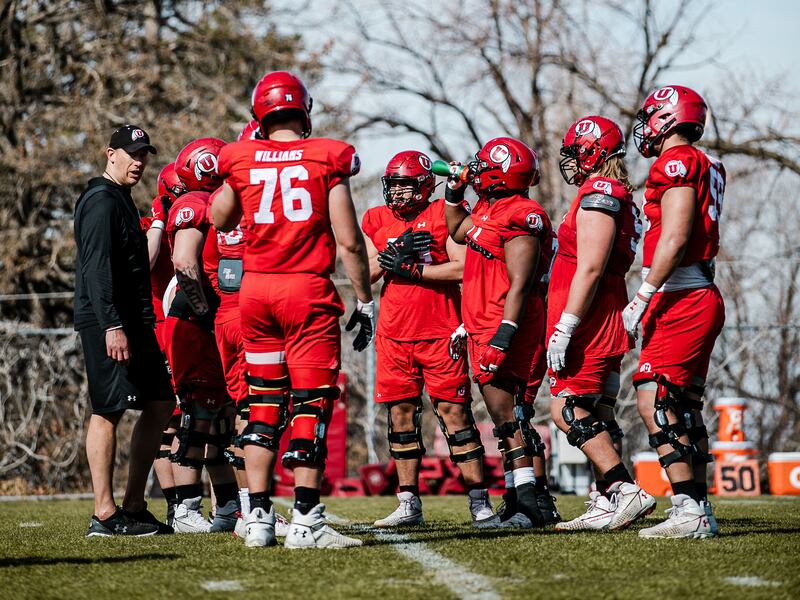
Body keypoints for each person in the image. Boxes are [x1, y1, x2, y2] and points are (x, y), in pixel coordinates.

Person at [212, 70, 373, 549]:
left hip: (255, 292)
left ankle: (257, 519)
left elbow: (220, 216)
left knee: (261, 402)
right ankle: (305, 519)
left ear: (259, 113)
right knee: (310, 402)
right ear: (304, 109)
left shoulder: (241, 156)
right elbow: (348, 239)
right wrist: (365, 299)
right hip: (305, 290)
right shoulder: (327, 156)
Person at [362, 150, 494, 528]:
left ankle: (478, 500)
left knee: (455, 415)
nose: (399, 193)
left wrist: (415, 268)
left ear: (424, 186)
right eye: (395, 185)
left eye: (406, 185)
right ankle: (407, 502)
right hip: (394, 332)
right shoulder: (376, 218)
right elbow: (367, 271)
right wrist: (392, 253)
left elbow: (463, 267)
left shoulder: (441, 213)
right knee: (400, 415)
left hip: (440, 330)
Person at [545, 116, 655, 531]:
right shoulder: (614, 191)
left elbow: (590, 268)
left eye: (574, 153)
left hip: (590, 314)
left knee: (567, 409)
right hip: (603, 307)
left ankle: (625, 489)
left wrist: (568, 324)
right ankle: (605, 499)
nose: (569, 162)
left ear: (592, 152)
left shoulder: (600, 190)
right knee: (598, 411)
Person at [624, 85, 725, 539]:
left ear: (668, 117)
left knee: (654, 400)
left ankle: (687, 508)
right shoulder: (707, 163)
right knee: (685, 406)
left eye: (651, 116)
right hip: (696, 291)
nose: (645, 126)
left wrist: (643, 294)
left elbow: (677, 237)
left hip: (683, 296)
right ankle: (699, 507)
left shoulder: (675, 160)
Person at [444, 137, 554, 528]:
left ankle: (527, 504)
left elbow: (520, 283)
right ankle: (525, 500)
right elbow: (457, 230)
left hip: (504, 325)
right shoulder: (491, 208)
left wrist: (503, 335)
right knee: (507, 417)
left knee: (509, 419)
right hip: (483, 322)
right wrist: (454, 191)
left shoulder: (523, 213)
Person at [74, 125, 174, 537]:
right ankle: (104, 513)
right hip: (107, 321)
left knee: (161, 403)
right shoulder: (101, 200)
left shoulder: (123, 199)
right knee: (108, 410)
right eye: (131, 153)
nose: (139, 161)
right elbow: (97, 270)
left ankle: (133, 505)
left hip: (134, 321)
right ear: (109, 154)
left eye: (144, 153)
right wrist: (112, 325)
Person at [163, 137, 239, 534]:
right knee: (199, 415)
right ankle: (186, 509)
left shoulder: (218, 204)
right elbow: (183, 262)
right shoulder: (192, 202)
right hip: (195, 324)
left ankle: (228, 509)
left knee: (222, 419)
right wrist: (206, 310)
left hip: (212, 323)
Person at [140, 162, 185, 526]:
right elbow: (145, 263)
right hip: (162, 330)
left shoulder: (205, 216)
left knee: (207, 419)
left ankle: (226, 508)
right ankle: (177, 505)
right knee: (167, 420)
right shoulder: (153, 225)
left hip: (198, 327)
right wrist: (158, 220)